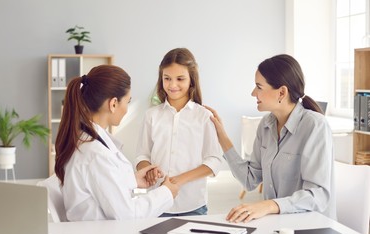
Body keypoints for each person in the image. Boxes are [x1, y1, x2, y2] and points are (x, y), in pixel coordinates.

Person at [205, 54, 336, 223]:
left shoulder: (315, 126)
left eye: (259, 87)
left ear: (281, 92)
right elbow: (249, 180)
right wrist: (221, 136)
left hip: (311, 229)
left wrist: (268, 206)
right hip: (277, 226)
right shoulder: (266, 125)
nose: (253, 93)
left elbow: (318, 195)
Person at [54, 64, 179, 221]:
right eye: (128, 101)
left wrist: (132, 180)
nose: (127, 108)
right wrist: (166, 192)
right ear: (113, 104)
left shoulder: (85, 139)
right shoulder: (95, 154)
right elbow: (127, 215)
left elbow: (99, 184)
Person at [135, 48, 223, 216]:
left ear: (192, 80)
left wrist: (178, 180)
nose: (172, 85)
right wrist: (149, 169)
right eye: (167, 78)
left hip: (193, 205)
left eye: (180, 79)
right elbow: (142, 156)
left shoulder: (204, 116)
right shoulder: (151, 115)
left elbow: (214, 160)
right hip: (156, 203)